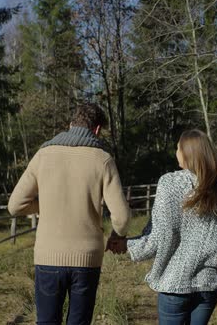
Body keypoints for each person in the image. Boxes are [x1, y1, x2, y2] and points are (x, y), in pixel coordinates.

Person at [7, 104, 131, 325]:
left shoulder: (43, 155)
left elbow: (15, 205)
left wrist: (43, 205)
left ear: (71, 124)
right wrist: (117, 236)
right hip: (87, 259)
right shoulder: (102, 159)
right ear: (97, 130)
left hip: (48, 255)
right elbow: (121, 217)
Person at [120, 129, 217, 325]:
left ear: (187, 153)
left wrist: (127, 245)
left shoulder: (169, 183)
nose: (175, 152)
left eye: (178, 148)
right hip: (208, 288)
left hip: (175, 287)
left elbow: (160, 238)